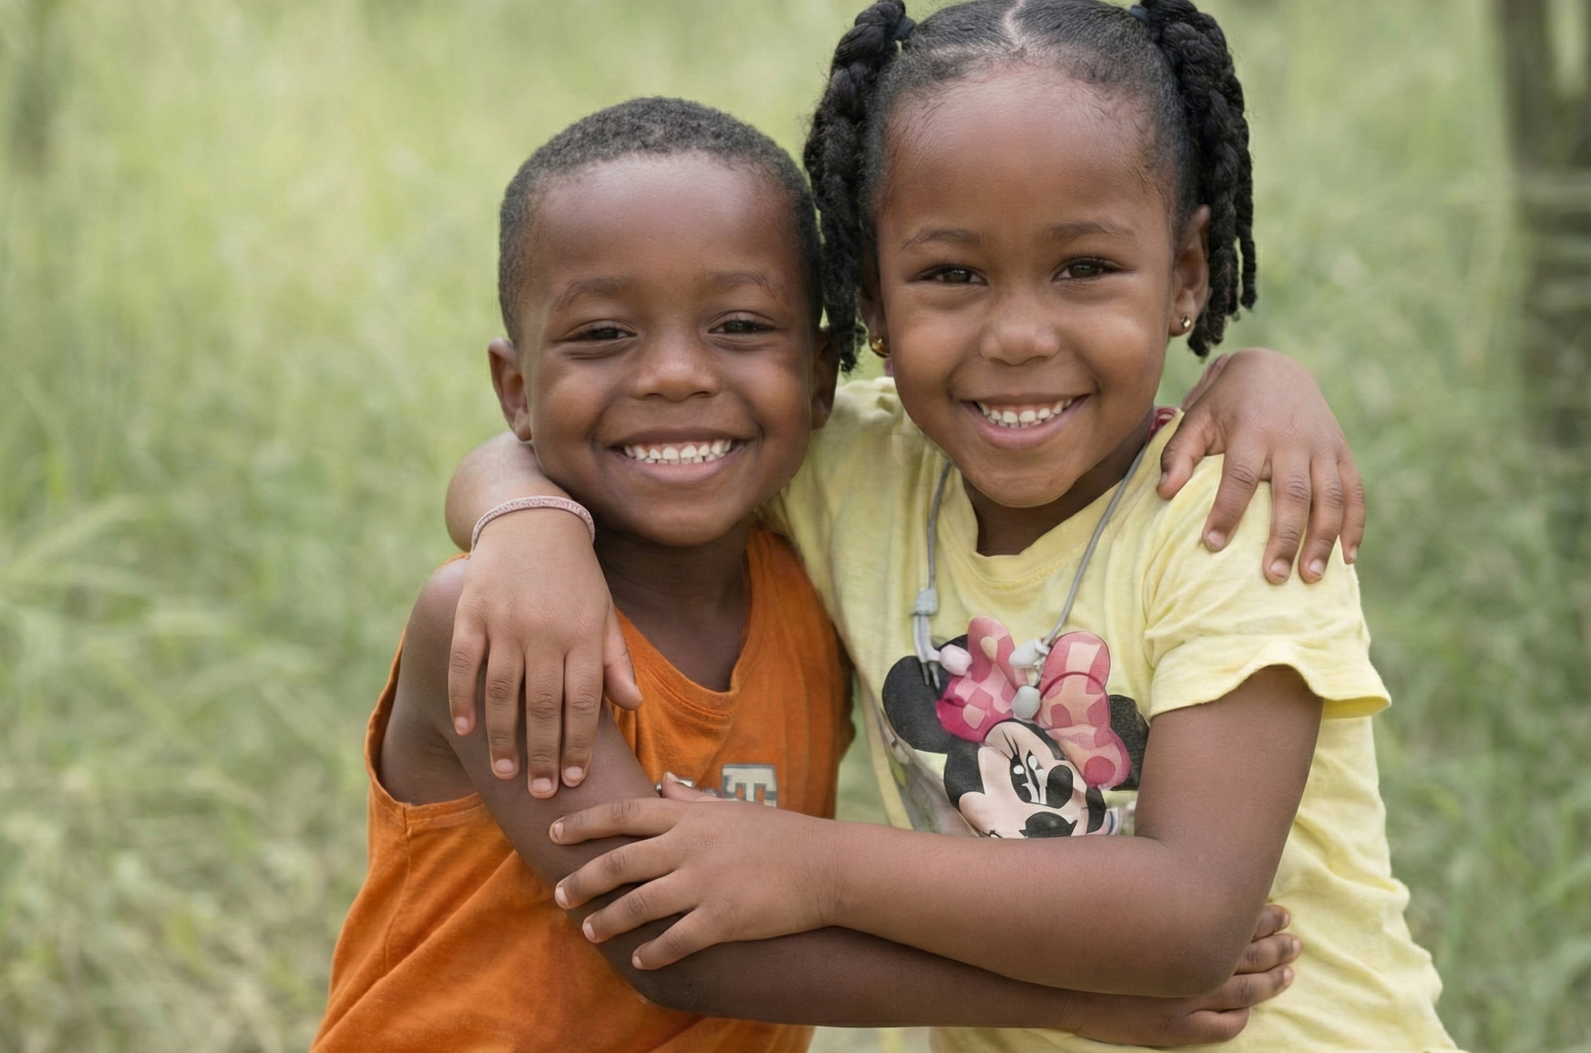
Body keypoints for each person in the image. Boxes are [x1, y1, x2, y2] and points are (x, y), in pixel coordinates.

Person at [442, 3, 1458, 1051]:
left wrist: (806, 864)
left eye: (1083, 269)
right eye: (951, 276)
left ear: (1186, 275)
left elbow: (1189, 919)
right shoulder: (859, 471)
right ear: (869, 302)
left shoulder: (1241, 513)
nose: (1017, 336)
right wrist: (522, 523)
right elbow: (621, 431)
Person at [312, 96, 1303, 1053]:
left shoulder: (809, 575)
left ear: (823, 373)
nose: (673, 375)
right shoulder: (488, 621)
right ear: (516, 391)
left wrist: (1264, 375)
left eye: (739, 327)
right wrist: (1082, 1003)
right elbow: (670, 950)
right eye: (603, 334)